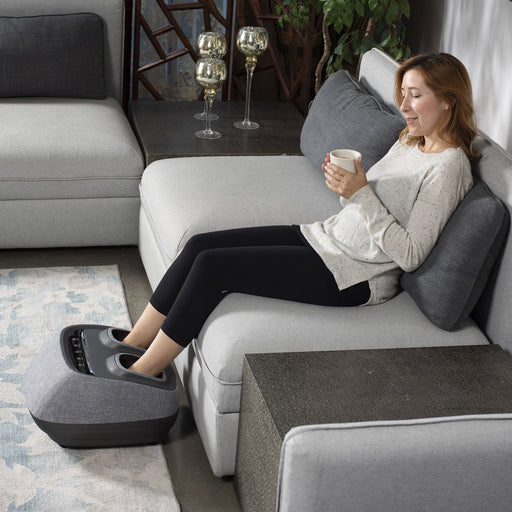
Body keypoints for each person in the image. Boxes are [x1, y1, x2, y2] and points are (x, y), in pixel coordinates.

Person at [122, 53, 479, 377]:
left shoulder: (449, 167)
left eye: (415, 95)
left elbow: (412, 254)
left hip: (353, 276)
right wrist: (350, 188)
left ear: (448, 99)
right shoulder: (410, 140)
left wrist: (360, 193)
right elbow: (372, 205)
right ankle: (132, 344)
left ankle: (141, 374)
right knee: (199, 245)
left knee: (212, 268)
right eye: (402, 94)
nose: (404, 106)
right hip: (324, 237)